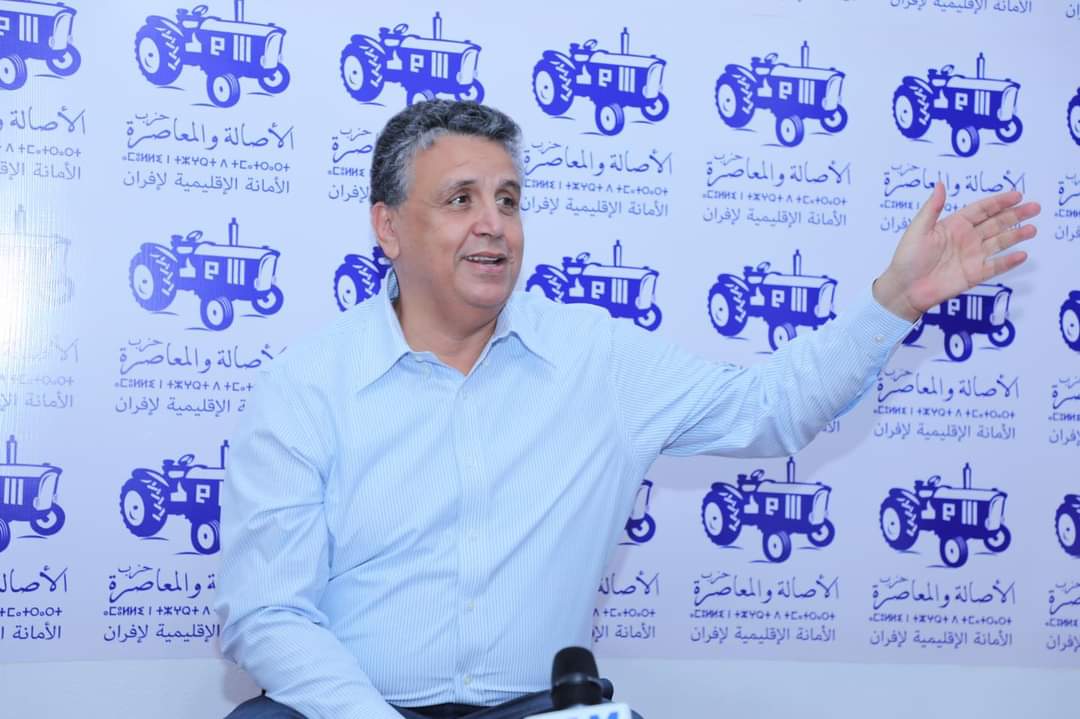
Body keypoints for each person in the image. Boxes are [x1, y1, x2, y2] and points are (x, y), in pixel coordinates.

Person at [215, 100, 1039, 719]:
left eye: (509, 199)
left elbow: (771, 408)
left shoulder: (599, 360)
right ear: (388, 227)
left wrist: (896, 298)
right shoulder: (305, 386)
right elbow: (269, 610)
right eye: (461, 200)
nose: (494, 225)